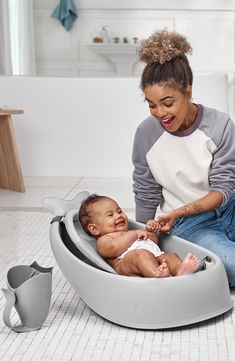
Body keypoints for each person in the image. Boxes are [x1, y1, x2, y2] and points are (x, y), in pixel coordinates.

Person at [132, 29, 235, 286]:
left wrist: (180, 210)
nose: (160, 113)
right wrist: (147, 242)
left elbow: (223, 188)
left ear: (188, 92)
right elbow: (145, 191)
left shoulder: (219, 124)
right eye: (151, 104)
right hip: (189, 226)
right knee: (229, 266)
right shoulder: (146, 134)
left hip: (229, 207)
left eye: (168, 103)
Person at [78, 194, 199, 278]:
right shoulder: (104, 240)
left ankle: (180, 270)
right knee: (141, 255)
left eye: (119, 211)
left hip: (154, 256)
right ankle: (157, 276)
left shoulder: (129, 233)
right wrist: (135, 234)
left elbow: (152, 245)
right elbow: (114, 248)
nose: (118, 216)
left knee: (170, 256)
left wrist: (150, 232)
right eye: (110, 215)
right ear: (94, 229)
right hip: (126, 264)